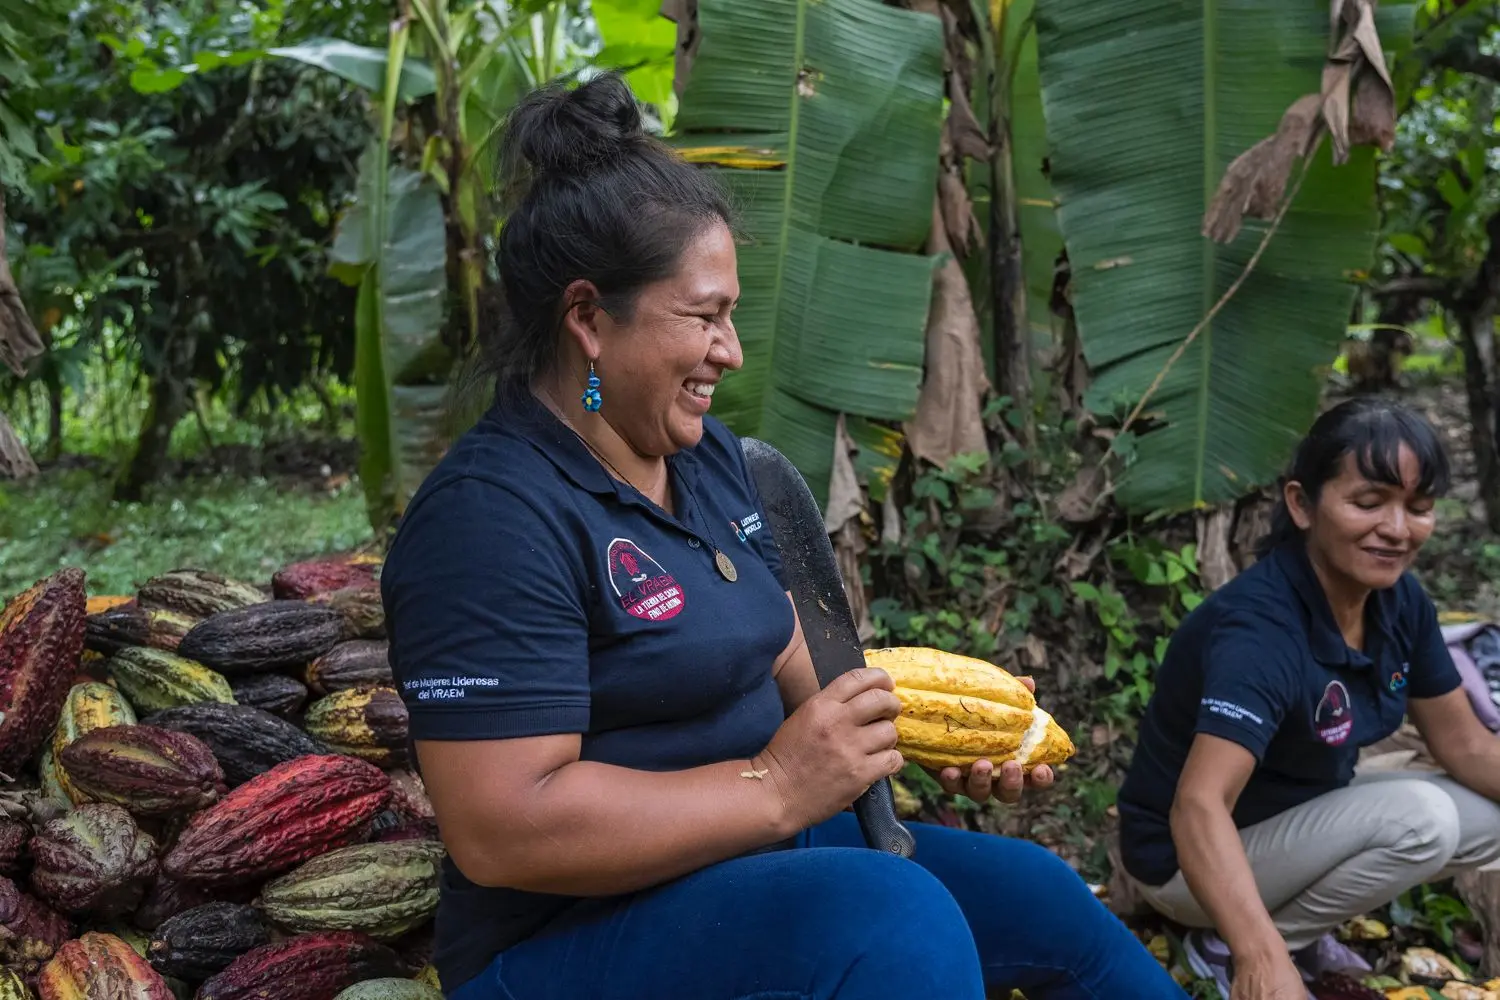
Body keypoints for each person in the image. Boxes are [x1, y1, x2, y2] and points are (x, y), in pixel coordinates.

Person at [379, 73, 1188, 1000]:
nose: (731, 350)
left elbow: (797, 662)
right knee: (895, 921)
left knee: (1043, 898)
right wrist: (773, 786)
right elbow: (503, 828)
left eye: (731, 314)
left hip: (759, 855)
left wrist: (932, 733)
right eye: (704, 316)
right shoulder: (490, 517)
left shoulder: (708, 460)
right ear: (589, 318)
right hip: (568, 931)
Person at [1115, 397, 1500, 1000]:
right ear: (1301, 504)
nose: (1398, 530)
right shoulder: (1260, 631)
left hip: (1299, 821)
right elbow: (1198, 805)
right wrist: (1261, 959)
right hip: (1185, 861)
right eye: (1368, 503)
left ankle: (1289, 928)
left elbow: (1465, 744)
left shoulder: (1400, 603)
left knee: (1490, 817)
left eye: (1418, 508)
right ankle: (1236, 945)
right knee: (1423, 821)